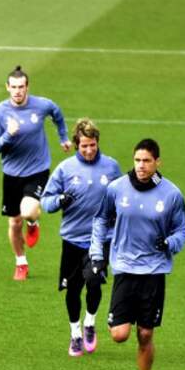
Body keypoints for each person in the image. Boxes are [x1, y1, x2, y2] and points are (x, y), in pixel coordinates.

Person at [90, 139, 185, 370]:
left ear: (158, 162)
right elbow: (100, 220)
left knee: (145, 334)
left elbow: (183, 230)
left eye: (147, 161)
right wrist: (97, 256)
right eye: (137, 160)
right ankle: (124, 324)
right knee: (120, 335)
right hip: (124, 267)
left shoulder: (171, 194)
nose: (141, 166)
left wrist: (170, 244)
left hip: (154, 270)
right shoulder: (116, 189)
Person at [41, 118, 122, 356]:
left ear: (98, 143)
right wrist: (60, 200)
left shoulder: (111, 167)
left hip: (100, 240)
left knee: (95, 282)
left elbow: (121, 195)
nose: (89, 150)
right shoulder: (65, 169)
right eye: (84, 146)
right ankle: (75, 333)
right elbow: (46, 201)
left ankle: (90, 322)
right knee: (73, 290)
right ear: (77, 144)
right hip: (72, 240)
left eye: (93, 145)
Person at [0, 65, 71, 280]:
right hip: (11, 174)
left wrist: (63, 137)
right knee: (14, 223)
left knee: (27, 211)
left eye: (21, 87)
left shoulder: (41, 105)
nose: (17, 91)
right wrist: (8, 134)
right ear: (7, 87)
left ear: (27, 87)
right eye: (13, 87)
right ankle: (21, 262)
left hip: (38, 170)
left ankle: (33, 223)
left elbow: (57, 113)